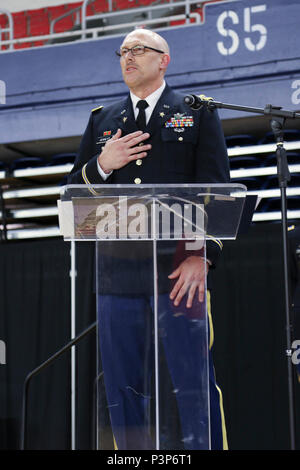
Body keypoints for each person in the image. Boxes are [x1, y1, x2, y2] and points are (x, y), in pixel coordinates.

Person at [68, 28, 230, 450]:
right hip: (117, 273)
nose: (128, 57)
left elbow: (216, 189)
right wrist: (103, 164)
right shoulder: (102, 121)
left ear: (164, 60)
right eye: (122, 51)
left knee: (193, 381)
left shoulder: (197, 112)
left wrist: (203, 257)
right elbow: (75, 196)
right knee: (123, 386)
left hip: (179, 270)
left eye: (138, 49)